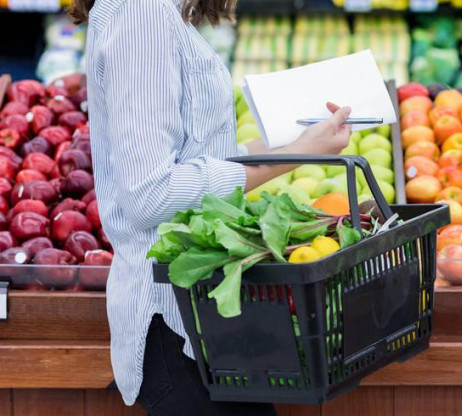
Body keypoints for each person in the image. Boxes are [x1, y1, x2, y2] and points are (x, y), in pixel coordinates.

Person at [69, 0, 352, 414]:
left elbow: (195, 157)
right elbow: (152, 194)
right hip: (176, 325)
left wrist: (295, 145)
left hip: (207, 322)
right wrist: (292, 158)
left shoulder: (157, 11)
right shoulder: (142, 13)